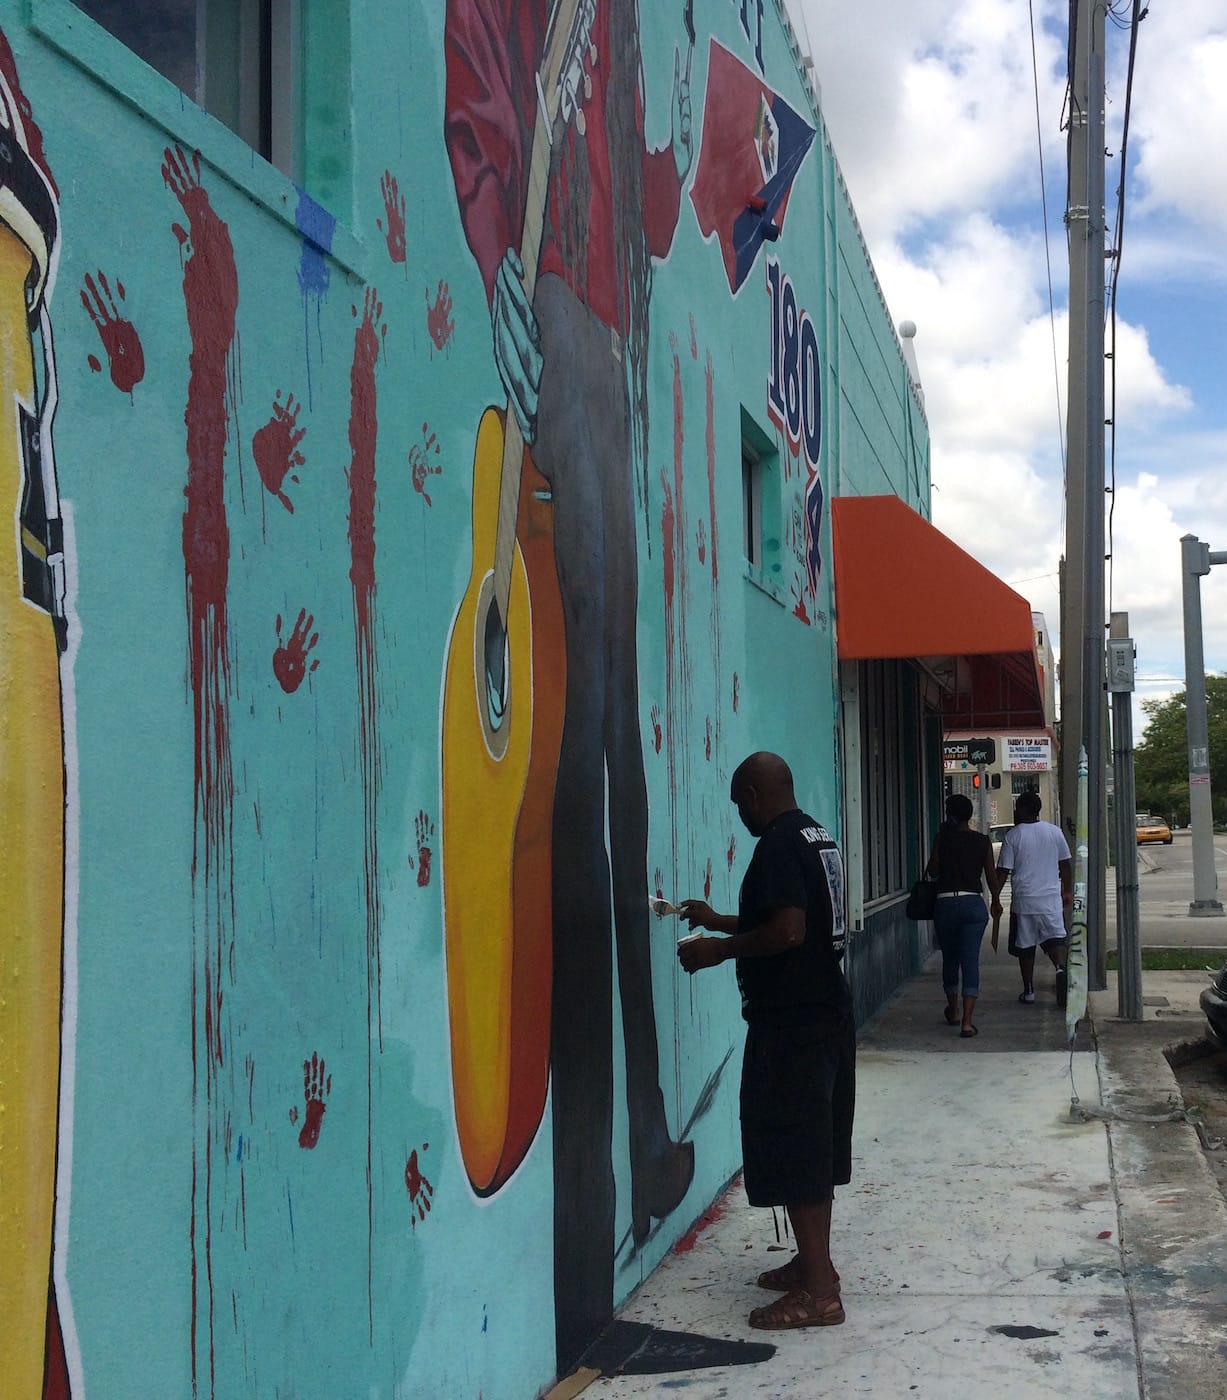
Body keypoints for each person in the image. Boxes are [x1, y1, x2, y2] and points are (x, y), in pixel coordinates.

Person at [443, 0, 695, 1372]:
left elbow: (642, 201)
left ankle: (644, 1141)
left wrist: (685, 135)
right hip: (556, 310)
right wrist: (498, 250)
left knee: (618, 773)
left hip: (599, 325)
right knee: (579, 773)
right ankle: (584, 1279)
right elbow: (479, 75)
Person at [678, 753, 853, 1331]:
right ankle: (812, 1263)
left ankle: (819, 1293)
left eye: (738, 804)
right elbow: (793, 919)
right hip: (826, 1013)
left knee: (797, 1148)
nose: (740, 816)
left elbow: (788, 932)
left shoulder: (776, 844)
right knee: (813, 1147)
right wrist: (719, 920)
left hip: (794, 1026)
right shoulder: (816, 836)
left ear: (753, 795)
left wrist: (717, 951)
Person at [924, 793, 1000, 1037]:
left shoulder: (942, 839)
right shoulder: (982, 841)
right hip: (973, 904)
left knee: (950, 958)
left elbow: (932, 871)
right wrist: (996, 901)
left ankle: (954, 1010)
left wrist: (942, 842)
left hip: (946, 904)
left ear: (950, 815)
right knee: (970, 961)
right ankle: (967, 1022)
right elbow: (991, 876)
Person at [992, 790, 1071, 1004]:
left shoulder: (1013, 836)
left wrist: (995, 898)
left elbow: (1003, 871)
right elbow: (1065, 864)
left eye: (1016, 807)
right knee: (1056, 939)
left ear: (1021, 809)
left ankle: (1028, 991)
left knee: (1025, 947)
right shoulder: (1054, 832)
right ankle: (1061, 969)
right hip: (1050, 901)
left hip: (1024, 901)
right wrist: (1066, 891)